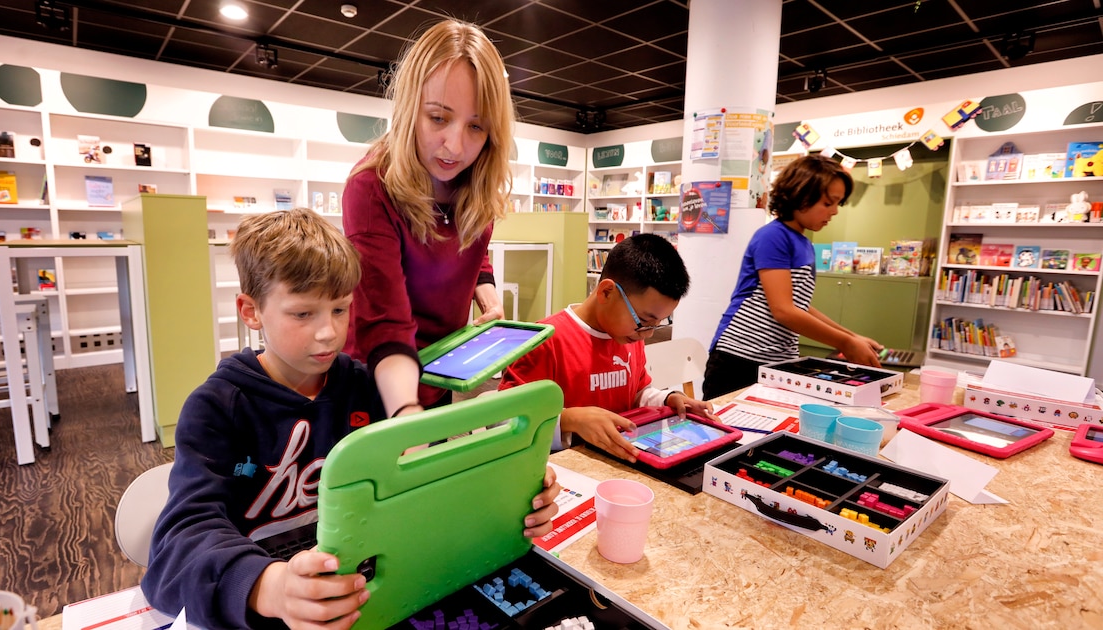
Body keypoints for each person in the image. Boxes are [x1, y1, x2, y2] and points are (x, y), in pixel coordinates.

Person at [141, 208, 559, 630]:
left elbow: (430, 486)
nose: (328, 332)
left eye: (340, 310)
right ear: (251, 311)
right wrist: (271, 587)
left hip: (368, 601)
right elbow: (179, 547)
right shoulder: (216, 408)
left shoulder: (367, 388)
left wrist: (507, 495)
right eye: (303, 314)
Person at [343, 19, 511, 419]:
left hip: (440, 373)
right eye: (438, 118)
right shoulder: (371, 187)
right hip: (379, 383)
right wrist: (406, 412)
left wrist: (486, 291)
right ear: (409, 109)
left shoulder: (475, 182)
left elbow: (473, 250)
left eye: (476, 126)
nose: (455, 145)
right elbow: (384, 322)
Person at [499, 234, 715, 462]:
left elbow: (636, 394)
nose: (649, 333)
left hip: (617, 464)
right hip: (561, 469)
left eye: (658, 324)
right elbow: (503, 420)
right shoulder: (545, 341)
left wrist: (667, 399)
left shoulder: (630, 337)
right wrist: (570, 420)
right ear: (606, 292)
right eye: (644, 321)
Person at [702, 155, 883, 400]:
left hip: (777, 358)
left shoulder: (803, 242)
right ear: (800, 195)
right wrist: (844, 343)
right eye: (828, 202)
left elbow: (799, 306)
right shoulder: (773, 236)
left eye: (838, 203)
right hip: (741, 356)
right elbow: (784, 311)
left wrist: (852, 337)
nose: (834, 211)